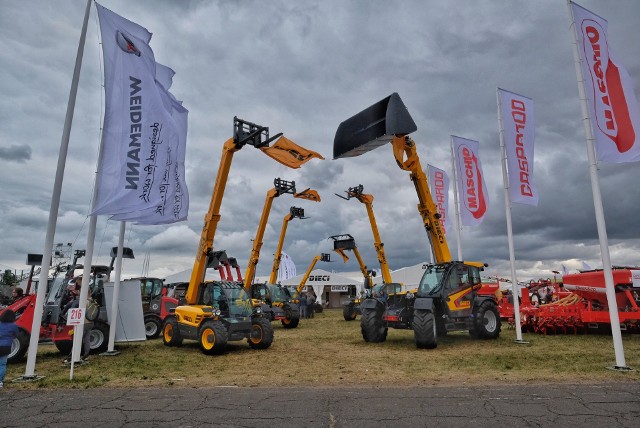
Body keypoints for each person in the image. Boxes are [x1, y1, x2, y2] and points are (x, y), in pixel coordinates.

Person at [61, 277, 93, 363]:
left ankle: (71, 356)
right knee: (86, 340)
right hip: (90, 322)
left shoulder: (83, 302)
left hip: (82, 323)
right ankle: (85, 355)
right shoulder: (91, 301)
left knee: (76, 339)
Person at [0, 309, 19, 388]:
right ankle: (0, 381)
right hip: (6, 347)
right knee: (2, 364)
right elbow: (16, 335)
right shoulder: (14, 325)